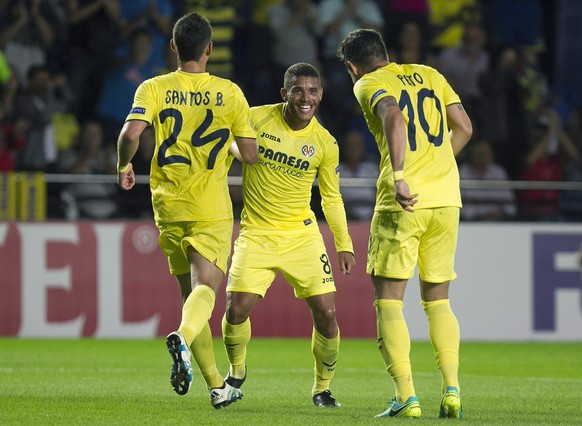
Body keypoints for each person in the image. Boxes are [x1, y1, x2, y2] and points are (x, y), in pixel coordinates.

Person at [116, 12, 258, 409]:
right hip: (209, 206)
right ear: (210, 49)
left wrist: (122, 165)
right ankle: (179, 335)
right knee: (206, 291)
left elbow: (130, 135)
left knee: (191, 294)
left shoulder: (154, 87)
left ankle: (216, 385)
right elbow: (249, 154)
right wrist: (233, 141)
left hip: (167, 204)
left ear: (174, 46)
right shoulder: (229, 92)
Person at [337, 29, 472, 418]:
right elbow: (464, 127)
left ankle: (407, 397)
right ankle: (451, 390)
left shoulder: (368, 83)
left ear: (352, 65)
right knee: (438, 300)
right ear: (386, 52)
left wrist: (400, 174)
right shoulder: (430, 73)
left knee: (389, 301)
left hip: (405, 202)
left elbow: (393, 115)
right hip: (446, 200)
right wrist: (439, 166)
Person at [221, 62, 356, 408]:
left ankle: (322, 388)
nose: (305, 98)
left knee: (327, 314)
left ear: (321, 95)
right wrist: (238, 151)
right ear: (284, 93)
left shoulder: (325, 143)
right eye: (298, 90)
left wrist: (344, 244)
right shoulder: (256, 117)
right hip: (257, 233)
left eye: (312, 91)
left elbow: (331, 197)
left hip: (302, 236)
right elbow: (226, 140)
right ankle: (236, 373)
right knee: (236, 310)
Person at [458, 139, 517, 221]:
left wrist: (500, 214)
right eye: (479, 154)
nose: (482, 157)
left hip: (499, 221)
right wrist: (478, 217)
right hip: (471, 222)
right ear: (471, 155)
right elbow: (460, 205)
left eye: (486, 153)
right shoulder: (463, 172)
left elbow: (510, 205)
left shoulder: (498, 172)